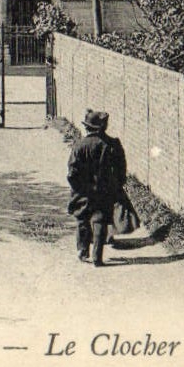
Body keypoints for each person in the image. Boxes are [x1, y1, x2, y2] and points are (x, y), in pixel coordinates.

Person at [67, 108, 128, 266]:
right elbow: (121, 169)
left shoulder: (79, 146)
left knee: (83, 219)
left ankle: (82, 250)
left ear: (87, 128)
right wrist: (117, 185)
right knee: (100, 220)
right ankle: (97, 257)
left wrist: (78, 188)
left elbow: (72, 172)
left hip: (83, 191)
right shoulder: (113, 144)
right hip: (105, 190)